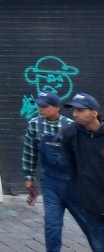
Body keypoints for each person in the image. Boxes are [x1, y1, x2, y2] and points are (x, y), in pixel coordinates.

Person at [23, 91, 92, 252]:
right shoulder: (34, 124)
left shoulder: (72, 127)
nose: (40, 109)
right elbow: (30, 151)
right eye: (39, 106)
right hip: (50, 182)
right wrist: (29, 176)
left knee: (88, 222)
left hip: (73, 183)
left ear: (57, 108)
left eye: (45, 106)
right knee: (52, 223)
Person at [61, 93, 104, 252]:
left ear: (94, 113)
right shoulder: (70, 133)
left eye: (80, 110)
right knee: (98, 244)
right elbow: (71, 167)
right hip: (89, 201)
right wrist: (82, 191)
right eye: (73, 110)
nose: (75, 114)